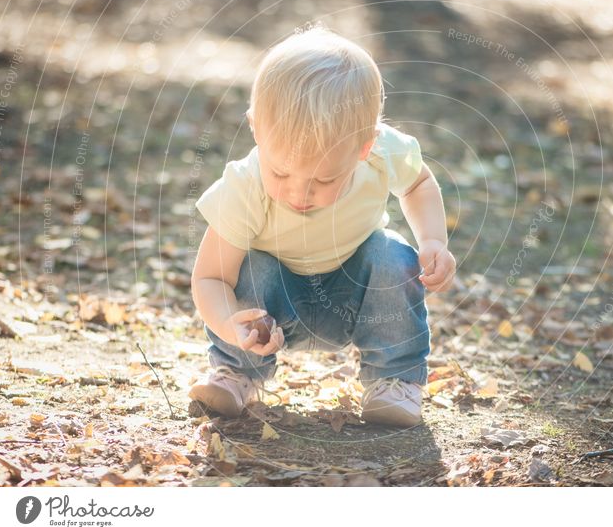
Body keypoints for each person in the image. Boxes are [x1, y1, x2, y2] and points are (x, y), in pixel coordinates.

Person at [188, 23, 456, 427]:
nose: (299, 193)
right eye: (280, 172)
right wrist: (230, 325)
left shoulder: (382, 152)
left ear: (364, 148)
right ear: (256, 128)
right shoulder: (246, 185)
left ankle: (395, 380)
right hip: (274, 311)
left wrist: (433, 239)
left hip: (355, 298)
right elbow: (211, 277)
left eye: (324, 181)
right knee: (254, 264)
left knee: (392, 254)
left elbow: (418, 182)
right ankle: (236, 372)